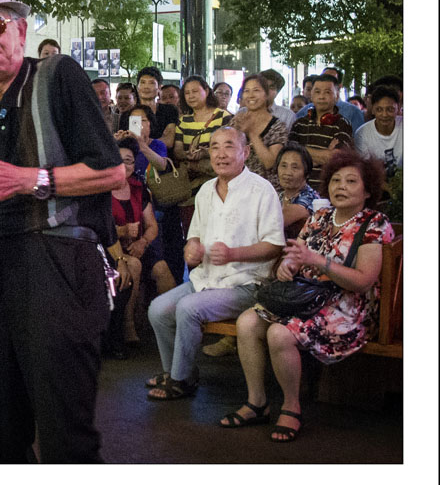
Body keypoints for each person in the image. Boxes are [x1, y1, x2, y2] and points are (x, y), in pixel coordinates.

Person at [0, 0, 124, 463]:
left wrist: (28, 180)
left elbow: (112, 170)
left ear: (19, 30)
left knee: (66, 436)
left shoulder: (59, 75)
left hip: (59, 262)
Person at [221, 150, 393, 442]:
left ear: (367, 191)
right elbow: (294, 256)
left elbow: (363, 282)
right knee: (247, 322)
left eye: (351, 181)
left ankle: (291, 406)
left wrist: (317, 261)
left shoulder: (373, 224)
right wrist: (288, 266)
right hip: (307, 298)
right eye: (336, 180)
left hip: (348, 307)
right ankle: (257, 401)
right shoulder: (320, 216)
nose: (341, 186)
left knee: (280, 333)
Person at [146, 127, 285, 401]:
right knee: (158, 309)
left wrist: (234, 254)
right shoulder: (206, 190)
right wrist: (191, 250)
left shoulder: (261, 190)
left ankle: (180, 379)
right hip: (207, 279)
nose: (221, 154)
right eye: (215, 147)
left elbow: (274, 246)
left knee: (187, 309)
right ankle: (178, 372)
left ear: (245, 152)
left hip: (247, 284)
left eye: (229, 147)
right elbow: (194, 236)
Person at [108, 137, 175, 356]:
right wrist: (123, 231)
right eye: (118, 160)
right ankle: (128, 325)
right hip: (111, 250)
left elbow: (152, 226)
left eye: (128, 160)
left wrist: (143, 242)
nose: (124, 165)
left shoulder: (138, 188)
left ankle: (171, 325)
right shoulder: (101, 190)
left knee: (163, 269)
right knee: (134, 265)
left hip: (138, 246)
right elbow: (101, 229)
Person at [174, 75, 232, 234]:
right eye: (187, 93)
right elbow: (178, 149)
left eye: (195, 91)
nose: (191, 96)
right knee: (194, 234)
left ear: (206, 91)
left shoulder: (223, 117)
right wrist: (188, 155)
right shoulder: (183, 120)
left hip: (218, 185)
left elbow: (230, 147)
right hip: (189, 189)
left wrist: (205, 153)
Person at [288, 73, 354, 192]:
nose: (321, 96)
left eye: (327, 92)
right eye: (317, 92)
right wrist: (324, 154)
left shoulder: (343, 124)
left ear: (337, 96)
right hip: (299, 191)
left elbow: (335, 158)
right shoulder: (299, 124)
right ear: (311, 95)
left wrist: (302, 150)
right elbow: (291, 157)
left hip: (327, 192)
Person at [231, 74, 289, 189]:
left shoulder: (278, 126)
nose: (251, 95)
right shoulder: (237, 121)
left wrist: (251, 133)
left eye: (256, 90)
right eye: (246, 91)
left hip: (267, 189)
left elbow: (269, 162)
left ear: (266, 94)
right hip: (239, 187)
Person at [294, 67, 365, 131]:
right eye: (318, 91)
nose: (321, 96)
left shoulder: (353, 112)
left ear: (339, 87)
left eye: (330, 79)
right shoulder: (305, 111)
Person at [275, 143, 321, 240]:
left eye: (295, 167)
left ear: (307, 173)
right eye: (283, 166)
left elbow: (274, 222)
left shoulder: (309, 198)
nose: (287, 173)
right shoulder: (279, 196)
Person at [354, 85, 402, 177]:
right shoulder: (362, 134)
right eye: (379, 109)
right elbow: (365, 170)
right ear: (372, 110)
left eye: (390, 109)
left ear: (398, 108)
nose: (384, 114)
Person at [114, 104, 167, 180]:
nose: (138, 124)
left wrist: (142, 145)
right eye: (134, 120)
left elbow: (162, 166)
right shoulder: (125, 144)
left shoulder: (158, 144)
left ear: (150, 123)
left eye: (142, 120)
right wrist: (114, 144)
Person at [137, 67, 179, 149]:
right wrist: (159, 140)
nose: (146, 87)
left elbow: (169, 141)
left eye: (151, 83)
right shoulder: (128, 113)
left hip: (163, 158)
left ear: (159, 87)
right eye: (143, 82)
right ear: (137, 87)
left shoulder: (169, 110)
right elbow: (133, 143)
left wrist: (144, 143)